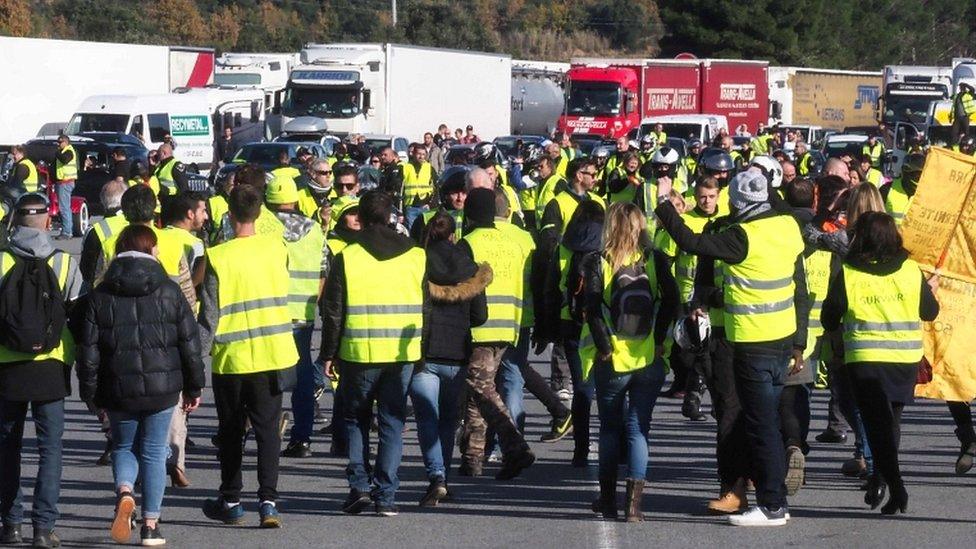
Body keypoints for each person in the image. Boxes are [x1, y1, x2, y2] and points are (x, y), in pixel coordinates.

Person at [655, 170, 809, 526]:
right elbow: (800, 287)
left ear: (736, 204)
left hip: (752, 341)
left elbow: (690, 242)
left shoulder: (742, 236)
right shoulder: (787, 226)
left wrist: (664, 203)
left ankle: (772, 504)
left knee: (760, 424)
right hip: (781, 339)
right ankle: (771, 495)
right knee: (766, 420)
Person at [76, 225, 204, 546]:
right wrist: (194, 387)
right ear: (152, 251)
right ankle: (150, 525)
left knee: (122, 446)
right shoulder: (169, 290)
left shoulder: (100, 294)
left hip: (117, 387)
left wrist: (90, 394)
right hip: (163, 387)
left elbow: (88, 352)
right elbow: (189, 343)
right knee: (153, 451)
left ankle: (124, 491)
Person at [821, 212, 939, 515]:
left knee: (877, 427)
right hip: (904, 360)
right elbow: (930, 312)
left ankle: (894, 486)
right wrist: (930, 291)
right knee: (890, 424)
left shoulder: (849, 272)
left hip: (866, 360)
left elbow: (829, 317)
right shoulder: (911, 270)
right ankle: (884, 481)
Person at [320, 190, 426, 516]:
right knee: (392, 422)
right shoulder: (416, 255)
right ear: (392, 217)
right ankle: (387, 496)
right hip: (401, 354)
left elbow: (333, 311)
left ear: (361, 220)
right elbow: (428, 307)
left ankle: (359, 486)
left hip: (358, 352)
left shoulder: (348, 256)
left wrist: (328, 353)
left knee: (356, 420)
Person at [199, 184, 298, 528]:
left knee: (230, 431)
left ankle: (231, 499)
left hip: (231, 358)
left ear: (229, 214)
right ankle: (268, 502)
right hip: (272, 353)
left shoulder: (218, 256)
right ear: (258, 214)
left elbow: (209, 316)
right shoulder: (277, 249)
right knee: (268, 431)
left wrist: (193, 362)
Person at [582, 202, 677, 522]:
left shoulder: (599, 261)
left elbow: (592, 309)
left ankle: (608, 500)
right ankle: (634, 506)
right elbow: (672, 301)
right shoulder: (654, 259)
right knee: (638, 429)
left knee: (609, 429)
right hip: (647, 356)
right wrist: (661, 339)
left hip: (614, 359)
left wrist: (605, 347)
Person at [0, 193, 82, 548]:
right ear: (49, 222)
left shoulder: (1, 261)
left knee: (7, 448)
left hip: (5, 367)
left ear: (14, 223)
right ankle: (43, 529)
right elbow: (81, 318)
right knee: (50, 449)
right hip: (51, 367)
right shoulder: (64, 262)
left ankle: (10, 524)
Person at [410, 211, 489, 506]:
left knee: (426, 418)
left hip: (424, 352)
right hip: (457, 353)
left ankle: (437, 477)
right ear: (454, 234)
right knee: (447, 421)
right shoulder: (470, 267)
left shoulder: (417, 263)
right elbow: (480, 316)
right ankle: (443, 476)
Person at [456, 188, 535, 480]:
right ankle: (472, 458)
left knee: (483, 389)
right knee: (478, 391)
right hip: (509, 324)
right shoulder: (512, 242)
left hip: (480, 327)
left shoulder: (469, 243)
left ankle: (515, 447)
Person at [265, 177, 327, 459]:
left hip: (268, 313)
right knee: (302, 378)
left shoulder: (263, 227)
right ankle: (302, 438)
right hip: (302, 314)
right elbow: (324, 271)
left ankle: (267, 432)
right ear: (296, 200)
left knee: (266, 377)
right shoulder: (314, 230)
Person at [540, 200, 605, 464]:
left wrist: (547, 327)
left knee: (581, 388)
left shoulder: (564, 247)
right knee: (611, 388)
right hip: (601, 322)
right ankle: (618, 444)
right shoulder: (606, 245)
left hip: (571, 322)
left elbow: (551, 288)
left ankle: (580, 449)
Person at [656, 178, 723, 421]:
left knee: (710, 352)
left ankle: (698, 397)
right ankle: (696, 396)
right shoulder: (685, 221)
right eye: (703, 197)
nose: (707, 201)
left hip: (712, 297)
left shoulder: (723, 221)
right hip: (686, 298)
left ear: (718, 196)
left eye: (712, 196)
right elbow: (666, 261)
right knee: (695, 352)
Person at [79, 180, 128, 286]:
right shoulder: (136, 224)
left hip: (104, 289)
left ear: (102, 201)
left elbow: (87, 270)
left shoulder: (95, 231)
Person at [880, 152, 923, 227]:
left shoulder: (929, 195)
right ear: (906, 172)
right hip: (890, 238)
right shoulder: (886, 190)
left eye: (923, 175)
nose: (920, 178)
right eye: (917, 175)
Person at [401, 144, 437, 229]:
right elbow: (400, 189)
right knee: (411, 232)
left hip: (425, 207)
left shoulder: (429, 168)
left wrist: (430, 204)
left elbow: (436, 187)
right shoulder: (405, 167)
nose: (421, 157)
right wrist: (401, 210)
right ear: (413, 154)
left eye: (423, 154)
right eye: (419, 154)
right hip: (410, 207)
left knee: (426, 232)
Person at [53, 135, 78, 239]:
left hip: (66, 182)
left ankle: (67, 232)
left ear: (66, 142)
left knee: (64, 208)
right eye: (57, 142)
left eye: (60, 142)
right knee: (64, 207)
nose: (58, 144)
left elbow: (65, 160)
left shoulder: (69, 151)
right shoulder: (64, 151)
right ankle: (67, 231)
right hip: (62, 182)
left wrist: (57, 152)